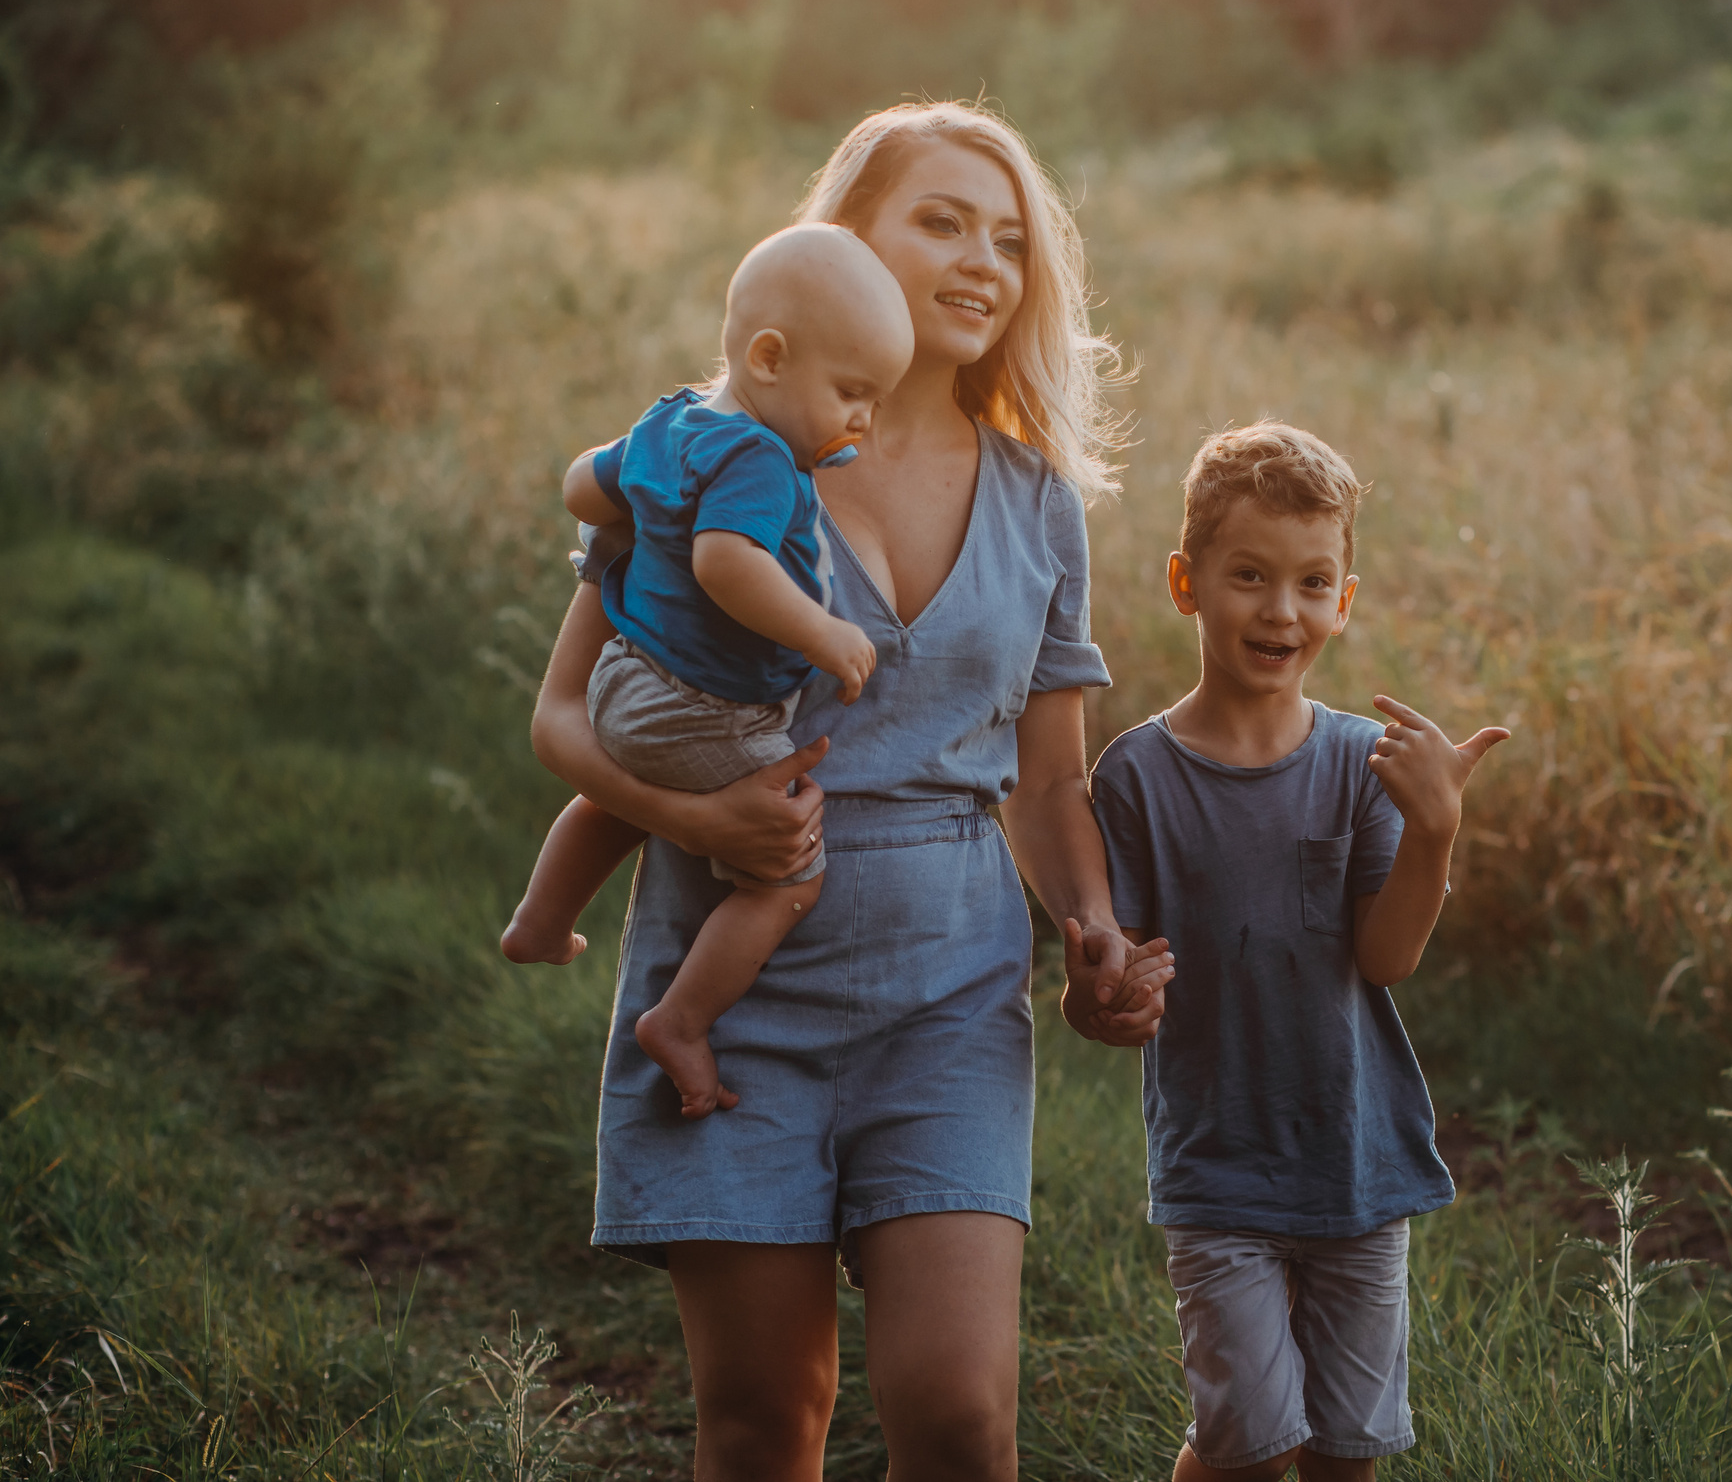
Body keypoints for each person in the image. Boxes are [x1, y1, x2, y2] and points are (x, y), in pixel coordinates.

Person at [525, 102, 1171, 1481]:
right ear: (848, 236)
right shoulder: (716, 448)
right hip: (729, 984)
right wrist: (700, 819)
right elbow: (564, 718)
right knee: (765, 1420)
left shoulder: (1040, 495)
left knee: (957, 1416)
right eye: (940, 220)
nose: (982, 260)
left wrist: (1095, 929)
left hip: (949, 991)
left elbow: (1050, 778)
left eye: (1010, 239)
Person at [1088, 422, 1508, 1482]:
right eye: (1249, 576)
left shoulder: (1360, 766)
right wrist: (1106, 997)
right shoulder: (1134, 775)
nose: (1282, 610)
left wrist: (1434, 829)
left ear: (1344, 599)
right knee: (1243, 1448)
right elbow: (1099, 984)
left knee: (1343, 1453)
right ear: (1187, 582)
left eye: (1313, 582)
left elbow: (1386, 956)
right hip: (1219, 1168)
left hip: (1356, 1164)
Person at [501, 224, 913, 1121]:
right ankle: (681, 1022)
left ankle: (539, 921)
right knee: (789, 878)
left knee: (611, 800)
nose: (863, 421)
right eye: (851, 394)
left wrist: (636, 495)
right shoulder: (759, 459)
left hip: (625, 680)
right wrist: (822, 633)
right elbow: (729, 564)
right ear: (769, 359)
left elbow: (582, 486)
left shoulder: (671, 423)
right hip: (704, 707)